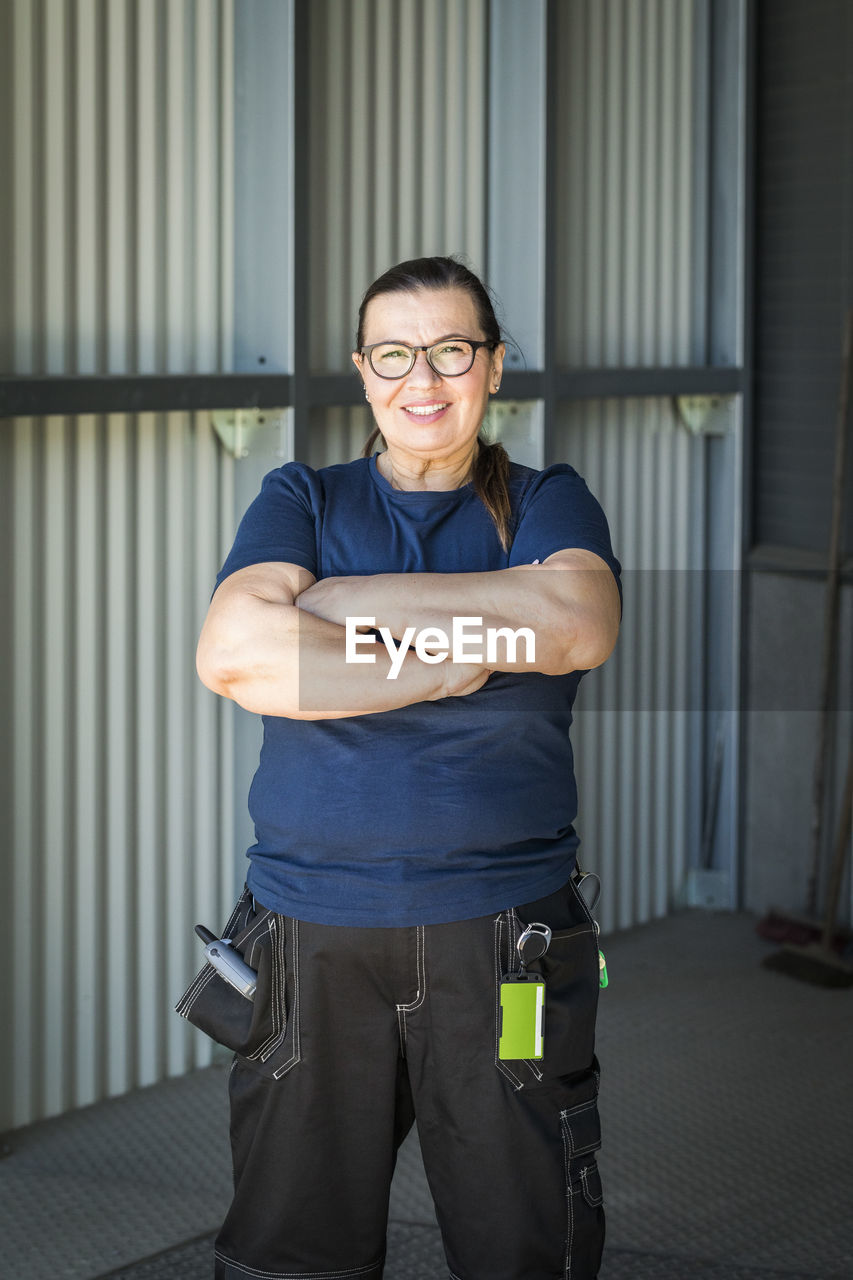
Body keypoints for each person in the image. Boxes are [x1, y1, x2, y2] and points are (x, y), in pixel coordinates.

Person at [194, 256, 622, 1280]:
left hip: (503, 933)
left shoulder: (547, 500)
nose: (420, 379)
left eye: (450, 349)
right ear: (361, 366)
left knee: (525, 1246)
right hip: (308, 929)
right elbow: (236, 652)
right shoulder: (300, 494)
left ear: (494, 364)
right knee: (289, 1254)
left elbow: (575, 623)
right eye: (393, 352)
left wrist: (335, 615)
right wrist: (456, 659)